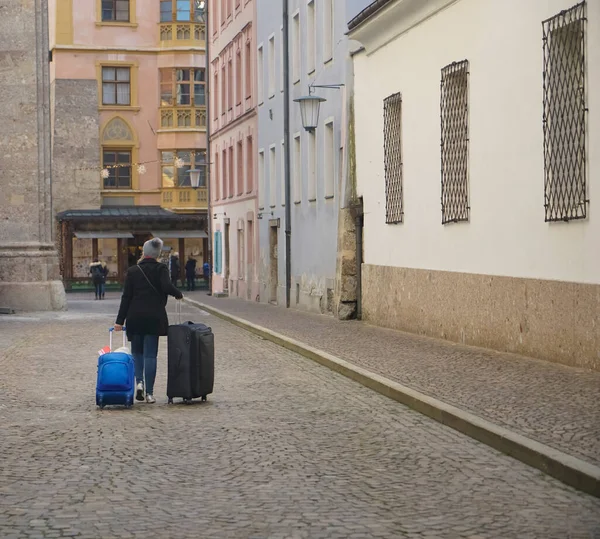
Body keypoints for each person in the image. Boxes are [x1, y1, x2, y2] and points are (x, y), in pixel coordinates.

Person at [114, 238, 183, 404]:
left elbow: (126, 298)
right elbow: (167, 287)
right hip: (154, 318)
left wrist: (119, 321)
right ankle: (150, 394)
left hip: (134, 317)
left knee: (137, 354)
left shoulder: (133, 271)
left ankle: (139, 383)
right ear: (157, 254)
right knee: (150, 355)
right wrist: (178, 293)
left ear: (143, 253)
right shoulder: (161, 268)